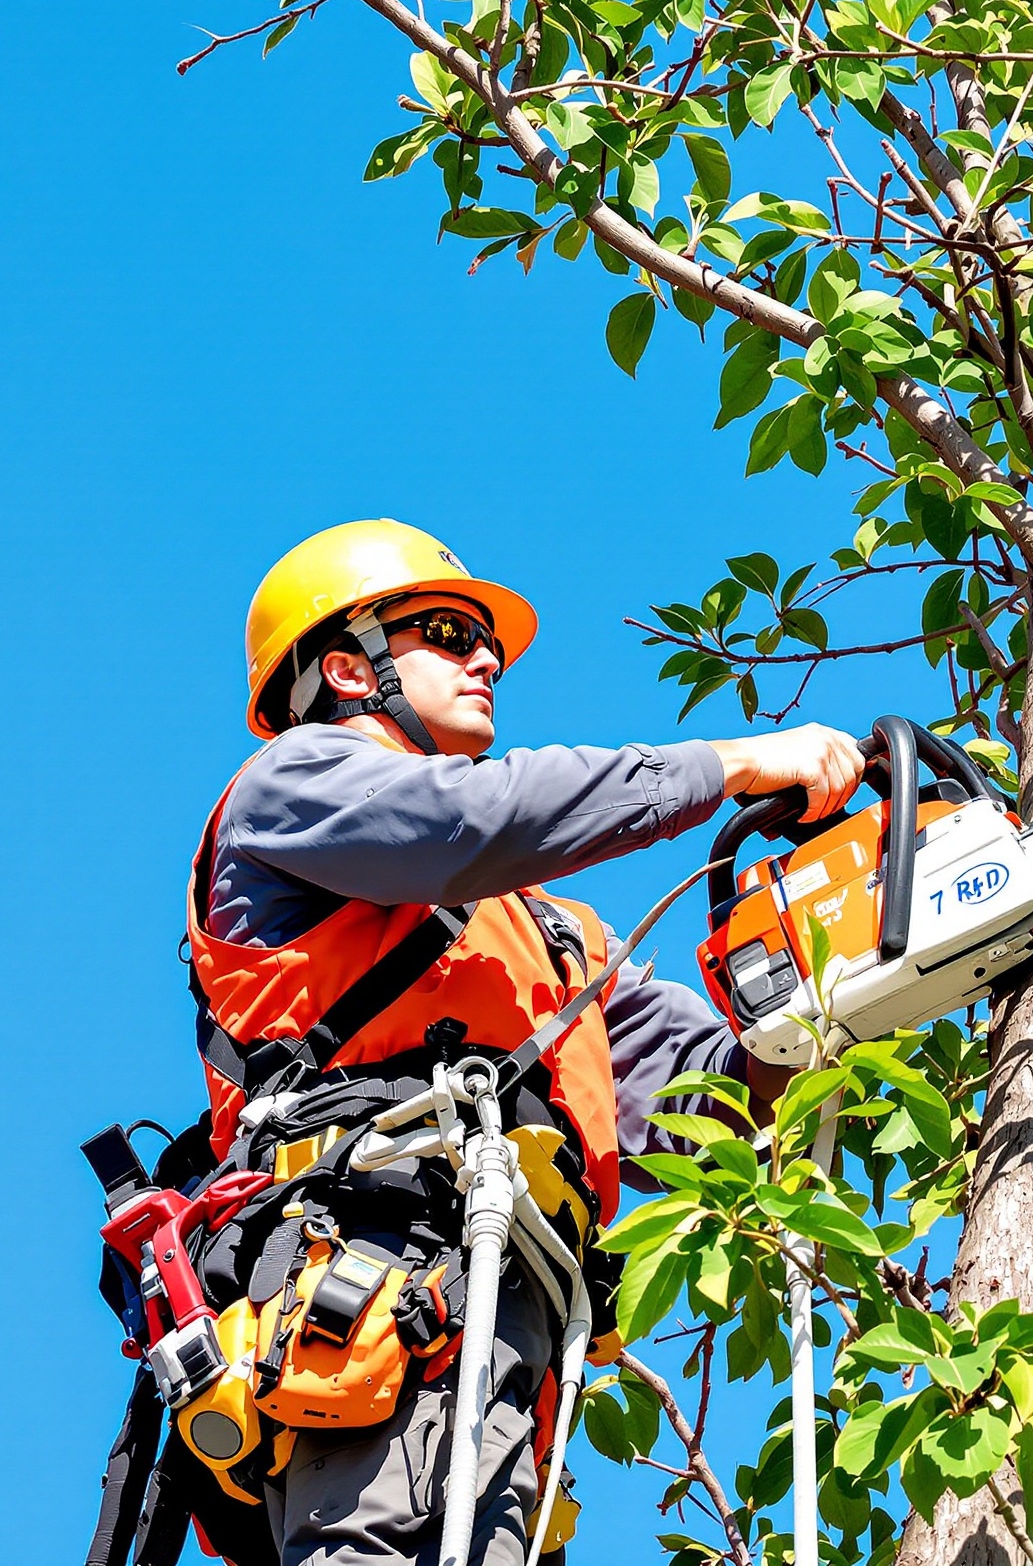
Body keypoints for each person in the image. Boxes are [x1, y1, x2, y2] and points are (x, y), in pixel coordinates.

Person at [184, 518, 861, 1566]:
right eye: (449, 632)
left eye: (482, 638)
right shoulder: (295, 785)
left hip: (510, 1334)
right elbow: (465, 824)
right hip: (369, 1281)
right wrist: (726, 761)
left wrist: (832, 980)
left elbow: (714, 1107)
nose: (487, 657)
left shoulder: (550, 935)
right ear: (344, 667)